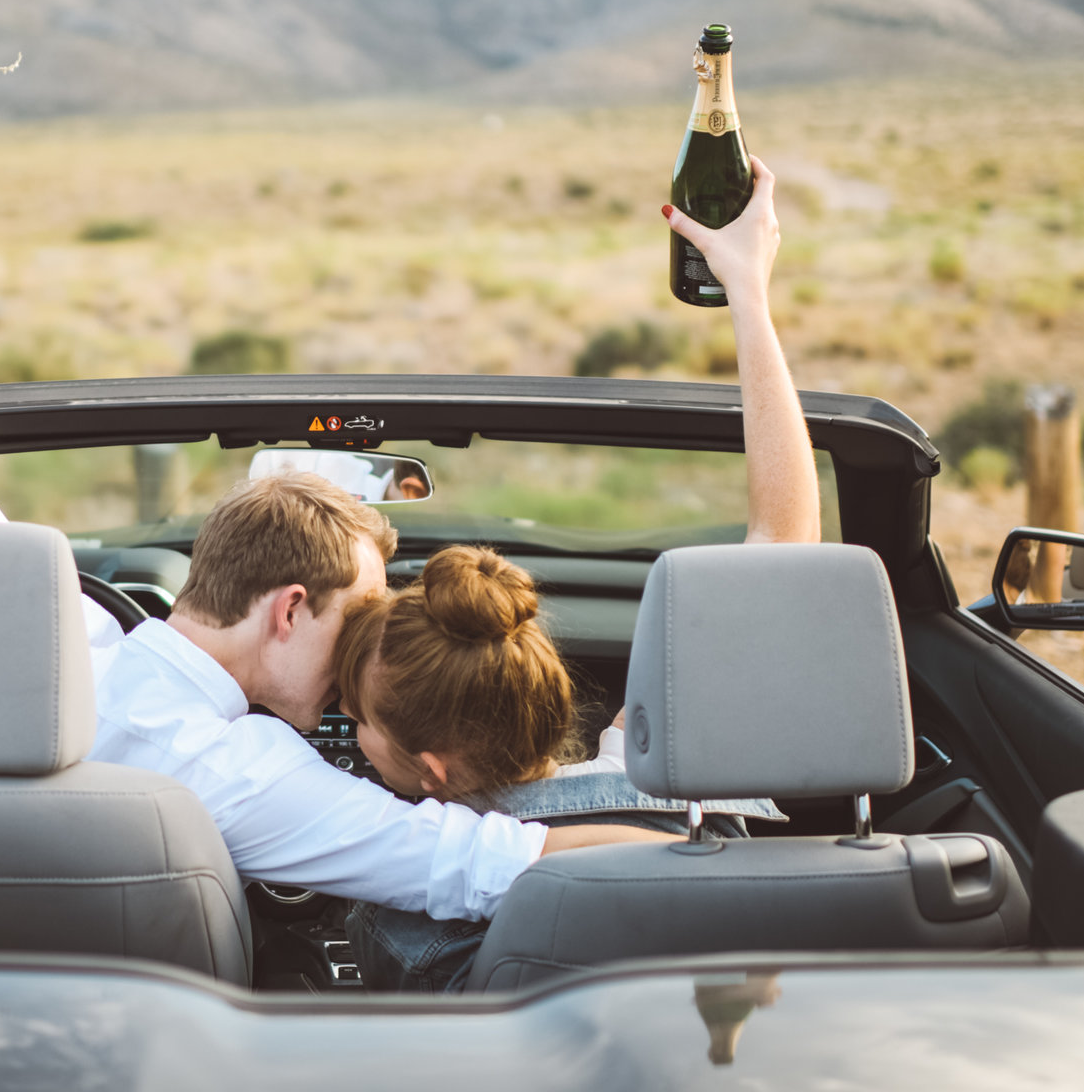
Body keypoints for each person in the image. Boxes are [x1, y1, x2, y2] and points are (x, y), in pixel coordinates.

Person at [0, 85, 667, 928]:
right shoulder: (246, 777)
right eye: (357, 615)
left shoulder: (31, 620)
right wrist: (711, 849)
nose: (372, 641)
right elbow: (491, 867)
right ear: (287, 609)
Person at [332, 168, 822, 991]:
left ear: (437, 769)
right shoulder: (690, 797)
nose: (354, 736)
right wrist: (749, 291)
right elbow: (784, 540)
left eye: (360, 724)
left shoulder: (407, 917)